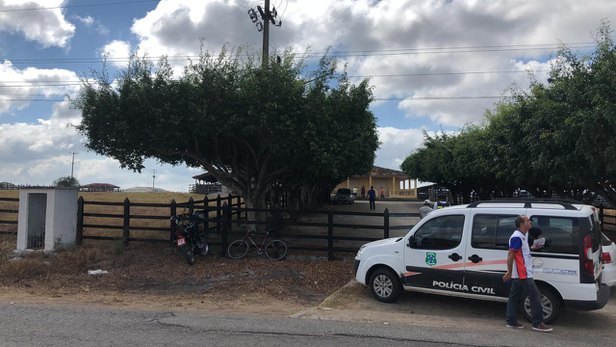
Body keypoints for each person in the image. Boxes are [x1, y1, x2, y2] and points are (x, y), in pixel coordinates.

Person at [502, 215, 553, 332]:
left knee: (514, 297)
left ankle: (511, 321)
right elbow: (511, 255)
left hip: (520, 273)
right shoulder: (517, 237)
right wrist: (509, 272)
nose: (530, 222)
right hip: (522, 274)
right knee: (535, 297)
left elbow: (521, 253)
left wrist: (532, 248)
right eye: (528, 221)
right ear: (521, 224)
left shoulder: (522, 237)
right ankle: (537, 323)